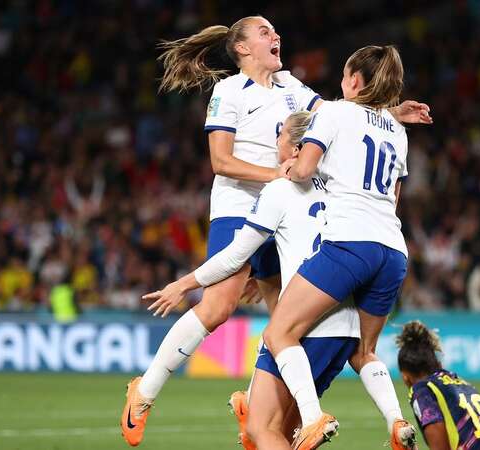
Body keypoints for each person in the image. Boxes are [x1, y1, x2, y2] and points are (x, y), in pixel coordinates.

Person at [120, 16, 431, 447]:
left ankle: (255, 399)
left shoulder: (291, 86)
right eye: (265, 33)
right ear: (243, 48)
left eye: (275, 31)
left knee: (282, 312)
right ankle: (146, 391)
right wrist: (279, 176)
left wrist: (391, 112)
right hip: (241, 204)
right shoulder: (228, 91)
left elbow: (344, 114)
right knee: (219, 306)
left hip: (285, 205)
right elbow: (221, 162)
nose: (276, 36)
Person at [144, 111, 359, 450]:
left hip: (300, 325)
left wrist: (182, 285)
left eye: (280, 135)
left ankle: (309, 415)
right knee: (283, 429)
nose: (275, 142)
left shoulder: (279, 190)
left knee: (261, 430)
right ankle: (298, 413)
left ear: (296, 147)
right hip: (345, 326)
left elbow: (233, 256)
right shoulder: (342, 190)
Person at [261, 45, 417, 450]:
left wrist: (286, 169)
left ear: (355, 81)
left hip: (350, 242)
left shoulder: (333, 111)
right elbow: (393, 197)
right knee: (364, 351)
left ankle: (312, 420)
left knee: (279, 332)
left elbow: (306, 168)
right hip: (393, 250)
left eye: (346, 75)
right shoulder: (397, 131)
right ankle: (397, 422)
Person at [396, 321, 480, 450]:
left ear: (405, 377)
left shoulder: (422, 390)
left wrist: (409, 447)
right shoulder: (460, 382)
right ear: (438, 364)